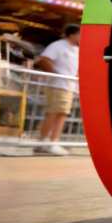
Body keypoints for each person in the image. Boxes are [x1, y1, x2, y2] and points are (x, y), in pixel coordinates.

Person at [32, 24, 80, 155]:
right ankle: (49, 142)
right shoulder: (58, 45)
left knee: (61, 113)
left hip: (68, 86)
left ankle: (47, 142)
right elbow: (44, 59)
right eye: (79, 34)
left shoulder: (76, 50)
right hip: (57, 85)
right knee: (55, 112)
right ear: (72, 34)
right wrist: (55, 73)